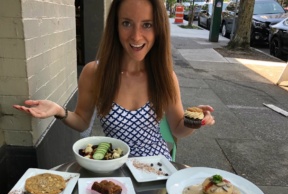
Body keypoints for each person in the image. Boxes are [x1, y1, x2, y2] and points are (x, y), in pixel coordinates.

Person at [13, 0, 215, 161]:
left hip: (156, 167)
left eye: (147, 25)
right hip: (111, 166)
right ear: (115, 27)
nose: (136, 36)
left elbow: (178, 128)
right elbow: (82, 122)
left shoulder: (165, 76)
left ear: (158, 29)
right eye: (126, 23)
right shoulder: (95, 73)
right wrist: (59, 111)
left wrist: (194, 121)